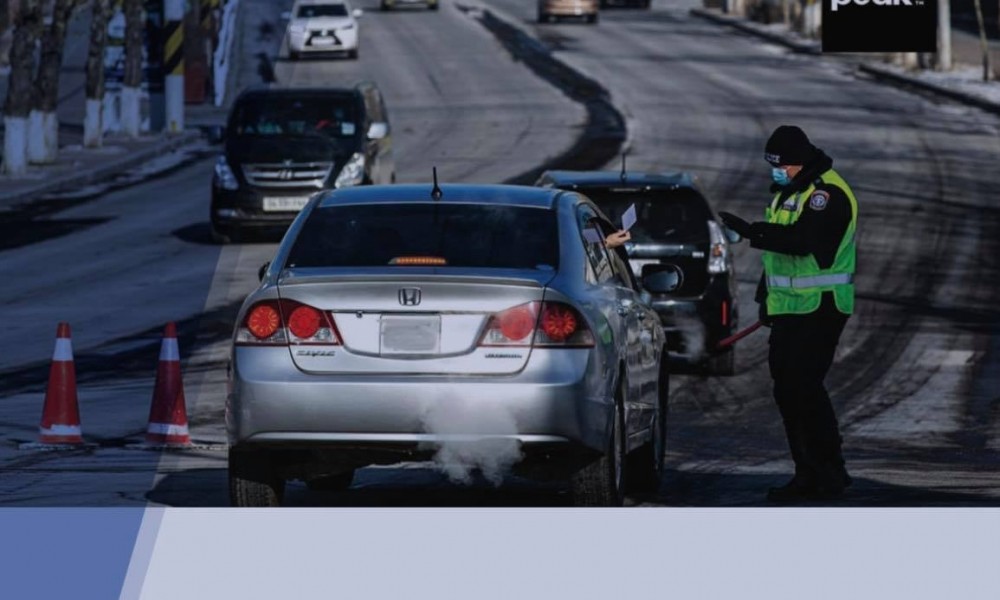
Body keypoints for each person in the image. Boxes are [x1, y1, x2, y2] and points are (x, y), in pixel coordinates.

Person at [718, 125, 858, 502]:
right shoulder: (791, 192)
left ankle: (824, 473)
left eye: (781, 167)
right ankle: (814, 472)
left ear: (799, 162)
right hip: (791, 309)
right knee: (790, 393)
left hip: (821, 308)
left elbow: (803, 243)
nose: (776, 172)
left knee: (803, 391)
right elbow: (780, 259)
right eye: (773, 166)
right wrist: (767, 296)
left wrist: (752, 232)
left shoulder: (826, 194)